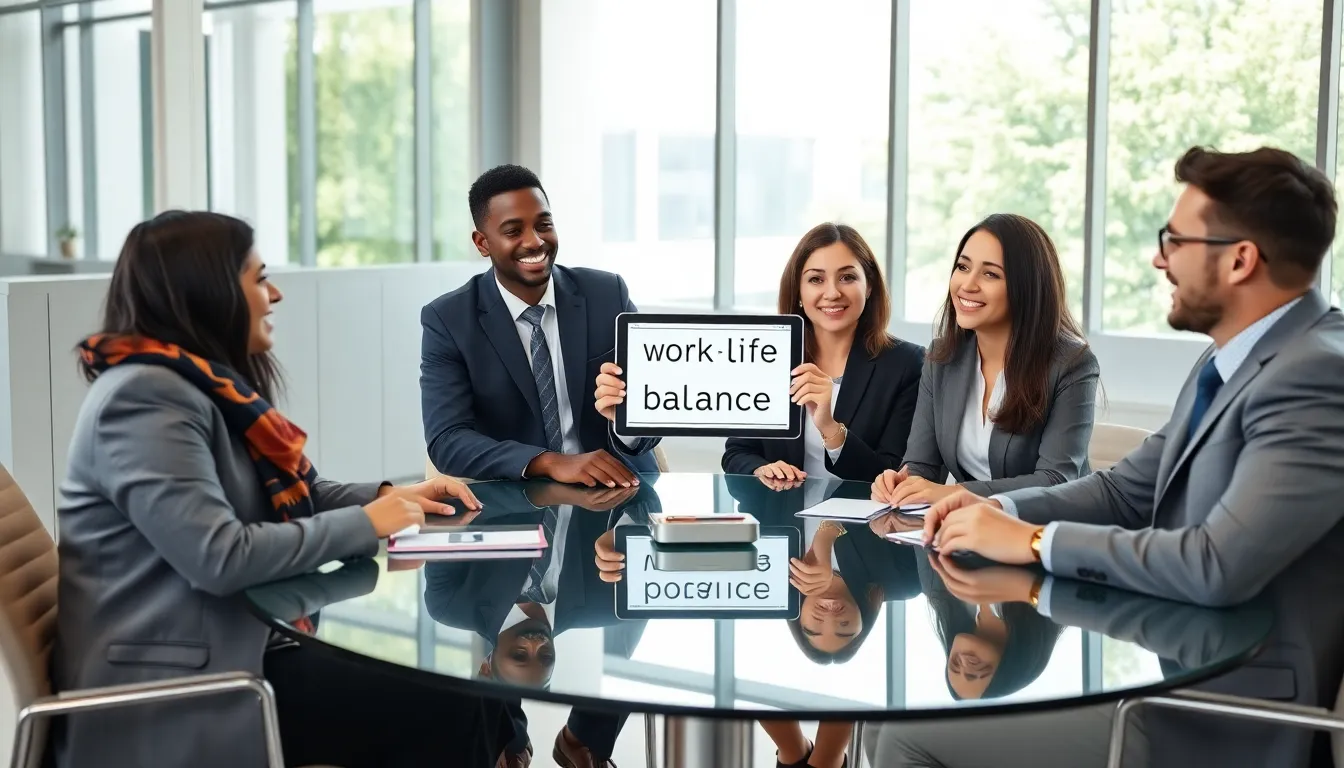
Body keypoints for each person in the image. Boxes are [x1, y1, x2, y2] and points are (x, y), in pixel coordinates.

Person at [903, 146, 1344, 766]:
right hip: (1176, 675)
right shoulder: (1231, 360)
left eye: (1175, 241)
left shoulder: (1317, 374)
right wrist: (999, 510)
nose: (1160, 259)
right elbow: (1122, 490)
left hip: (1233, 715)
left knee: (903, 736)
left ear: (1241, 259)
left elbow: (1214, 565)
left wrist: (1032, 541)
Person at [50, 211, 508, 768]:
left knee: (474, 699)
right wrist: (370, 523)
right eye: (259, 278)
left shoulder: (199, 387)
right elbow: (219, 556)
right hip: (177, 688)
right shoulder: (143, 400)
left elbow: (298, 494)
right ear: (208, 292)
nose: (275, 294)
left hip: (237, 646)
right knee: (457, 703)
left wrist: (395, 495)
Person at [421, 164, 660, 486]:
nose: (535, 242)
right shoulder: (448, 320)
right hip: (517, 496)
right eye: (513, 231)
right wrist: (547, 462)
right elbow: (447, 440)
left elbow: (653, 408)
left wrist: (626, 420)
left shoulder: (608, 294)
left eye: (543, 225)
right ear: (482, 243)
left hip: (617, 488)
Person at [870, 213, 1100, 509]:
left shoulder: (1072, 363)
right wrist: (902, 482)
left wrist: (954, 493)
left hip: (1044, 527)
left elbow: (1056, 480)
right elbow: (922, 465)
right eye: (963, 267)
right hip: (968, 527)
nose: (967, 284)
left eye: (990, 274)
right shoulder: (942, 358)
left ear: (1027, 287)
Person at [719, 223, 924, 485]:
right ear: (798, 290)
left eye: (847, 277)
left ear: (869, 286)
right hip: (784, 508)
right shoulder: (770, 357)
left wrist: (830, 427)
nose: (832, 293)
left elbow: (894, 474)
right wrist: (762, 469)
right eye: (816, 279)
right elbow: (737, 452)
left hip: (862, 512)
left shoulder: (908, 365)